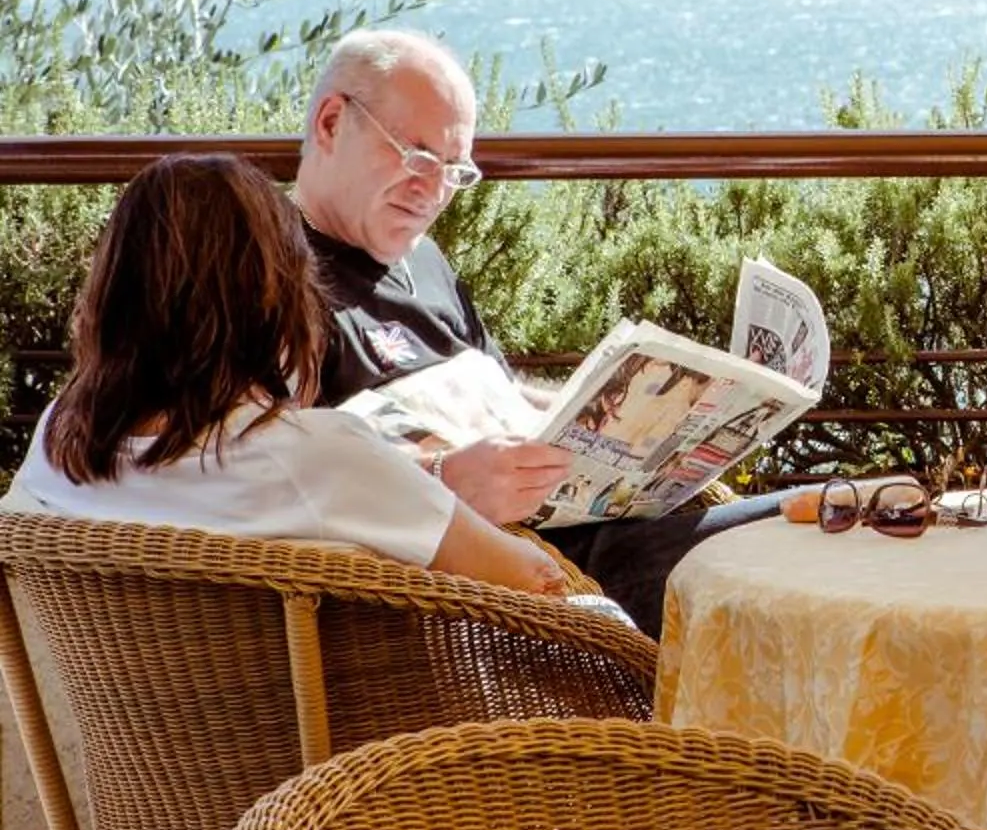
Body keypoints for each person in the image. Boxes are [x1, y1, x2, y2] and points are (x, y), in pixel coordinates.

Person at [292, 28, 783, 632]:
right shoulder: (273, 274)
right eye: (417, 157)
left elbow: (500, 389)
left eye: (454, 169)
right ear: (332, 123)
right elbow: (268, 469)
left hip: (587, 530)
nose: (433, 191)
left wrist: (644, 417)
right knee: (782, 559)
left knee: (817, 527)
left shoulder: (421, 259)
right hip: (514, 585)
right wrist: (443, 481)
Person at [1, 154, 569, 597]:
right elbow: (531, 581)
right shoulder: (318, 460)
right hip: (363, 745)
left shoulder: (60, 439)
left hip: (128, 741)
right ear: (278, 294)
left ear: (112, 291)